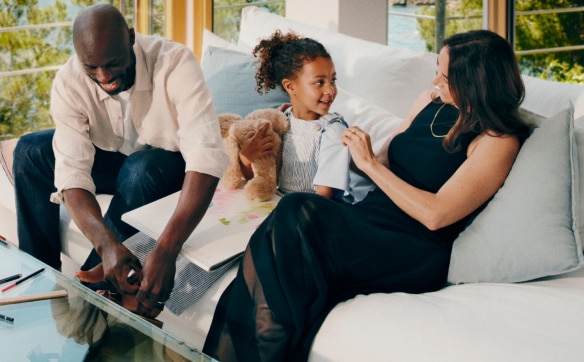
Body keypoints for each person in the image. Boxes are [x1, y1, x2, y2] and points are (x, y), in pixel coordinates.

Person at [203, 30, 532, 361]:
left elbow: (436, 214)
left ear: (475, 81)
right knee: (287, 225)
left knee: (296, 214)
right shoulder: (429, 101)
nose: (436, 81)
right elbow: (382, 160)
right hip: (367, 217)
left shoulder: (497, 141)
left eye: (445, 77)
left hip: (412, 245)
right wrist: (333, 141)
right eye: (438, 70)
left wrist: (369, 164)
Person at [13, 4, 272, 318]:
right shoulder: (70, 81)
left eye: (112, 63)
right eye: (92, 67)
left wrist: (166, 249)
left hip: (168, 166)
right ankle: (39, 279)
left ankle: (96, 295)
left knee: (140, 169)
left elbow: (206, 157)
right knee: (29, 151)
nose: (104, 76)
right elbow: (72, 173)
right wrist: (106, 246)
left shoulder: (175, 63)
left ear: (131, 39)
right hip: (115, 159)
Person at [249, 30, 371, 200]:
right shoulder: (281, 120)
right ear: (290, 86)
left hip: (316, 207)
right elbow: (259, 175)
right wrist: (246, 157)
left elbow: (323, 197)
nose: (330, 90)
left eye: (332, 80)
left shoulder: (332, 131)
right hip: (282, 200)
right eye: (320, 82)